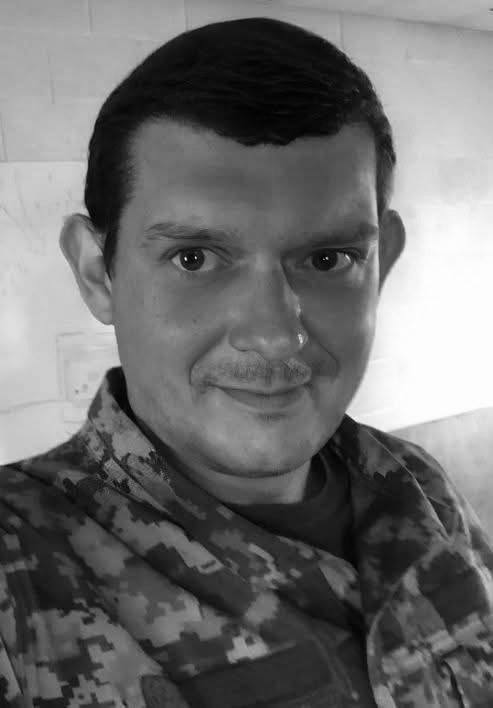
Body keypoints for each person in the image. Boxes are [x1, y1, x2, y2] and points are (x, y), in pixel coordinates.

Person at [1, 16, 492, 708]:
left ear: (381, 265)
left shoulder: (419, 489)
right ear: (96, 274)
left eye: (328, 259)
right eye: (194, 258)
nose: (275, 335)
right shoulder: (20, 569)